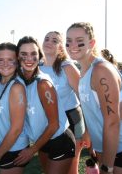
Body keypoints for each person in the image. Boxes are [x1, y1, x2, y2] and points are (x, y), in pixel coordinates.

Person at [66, 22, 122, 174]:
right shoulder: (85, 71)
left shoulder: (101, 70)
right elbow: (94, 110)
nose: (73, 45)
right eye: (68, 41)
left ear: (91, 43)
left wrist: (107, 167)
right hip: (106, 151)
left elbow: (113, 122)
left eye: (79, 40)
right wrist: (90, 136)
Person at [13, 36, 75, 174]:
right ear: (17, 56)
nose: (29, 59)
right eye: (24, 54)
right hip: (43, 141)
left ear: (39, 56)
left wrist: (32, 150)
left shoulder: (42, 84)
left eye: (33, 54)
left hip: (59, 141)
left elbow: (54, 124)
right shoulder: (20, 81)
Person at [41, 31, 86, 174]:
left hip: (71, 119)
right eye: (46, 39)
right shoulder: (36, 67)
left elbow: (83, 97)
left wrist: (89, 130)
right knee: (47, 168)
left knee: (71, 170)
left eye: (54, 40)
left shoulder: (67, 66)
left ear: (61, 47)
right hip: (45, 122)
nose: (49, 42)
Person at [0, 43, 29, 174]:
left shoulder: (16, 87)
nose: (5, 64)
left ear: (17, 62)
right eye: (1, 60)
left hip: (12, 149)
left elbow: (16, 129)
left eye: (10, 60)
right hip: (2, 145)